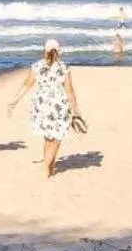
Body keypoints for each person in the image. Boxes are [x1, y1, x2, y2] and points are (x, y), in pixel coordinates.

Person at [8, 38, 82, 178]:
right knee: (57, 138)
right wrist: (76, 108)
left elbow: (26, 85)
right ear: (58, 52)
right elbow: (69, 90)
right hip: (59, 105)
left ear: (44, 51)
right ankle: (46, 168)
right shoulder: (63, 67)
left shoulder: (37, 66)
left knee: (49, 138)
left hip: (41, 106)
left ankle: (50, 166)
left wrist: (15, 100)